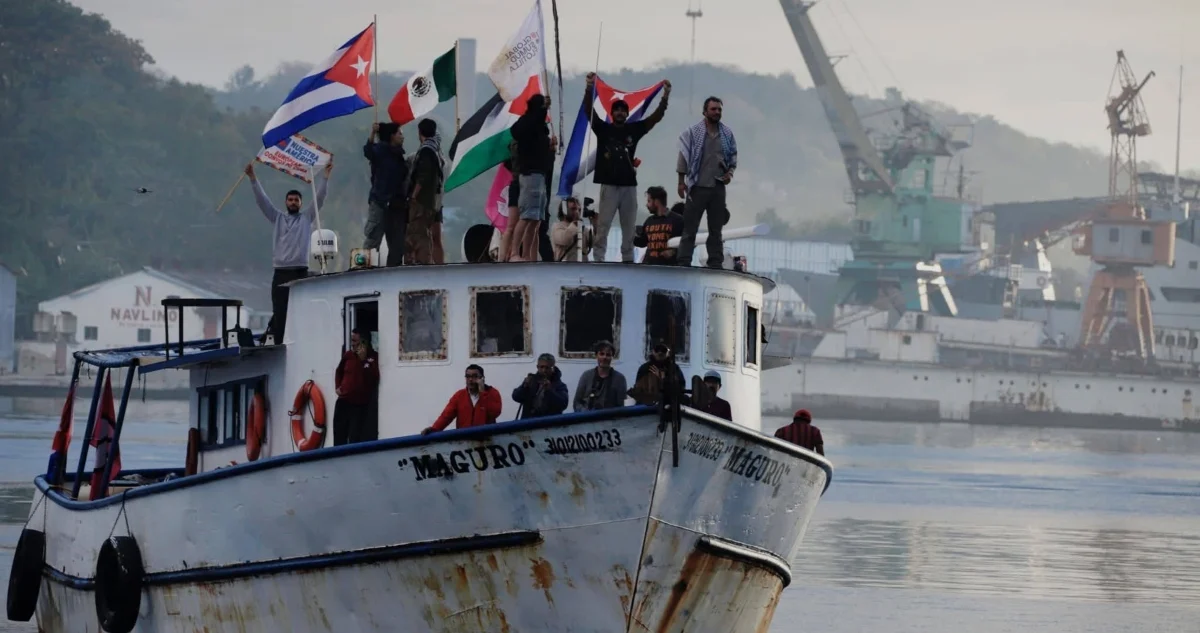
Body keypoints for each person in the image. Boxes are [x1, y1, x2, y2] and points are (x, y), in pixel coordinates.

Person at [584, 73, 671, 262]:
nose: (620, 113)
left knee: (629, 228)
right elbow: (588, 111)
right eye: (617, 110)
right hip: (608, 185)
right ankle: (598, 259)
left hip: (629, 186)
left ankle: (628, 260)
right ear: (612, 114)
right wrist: (589, 87)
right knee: (604, 226)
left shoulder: (634, 130)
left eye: (624, 110)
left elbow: (655, 118)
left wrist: (665, 98)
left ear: (627, 114)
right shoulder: (603, 130)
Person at [245, 160, 331, 343]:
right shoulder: (277, 218)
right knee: (280, 311)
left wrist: (325, 177)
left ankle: (302, 341)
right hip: (280, 272)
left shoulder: (307, 218)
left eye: (296, 200)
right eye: (290, 200)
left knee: (301, 310)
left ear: (300, 203)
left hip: (300, 271)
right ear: (286, 202)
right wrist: (253, 178)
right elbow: (262, 201)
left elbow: (321, 198)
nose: (293, 202)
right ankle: (279, 343)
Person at [676, 96, 737, 268]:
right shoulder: (693, 133)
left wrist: (729, 174)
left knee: (716, 230)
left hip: (717, 187)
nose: (717, 112)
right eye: (713, 109)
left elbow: (733, 157)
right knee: (690, 229)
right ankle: (684, 261)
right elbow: (683, 156)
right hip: (697, 186)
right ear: (705, 112)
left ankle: (715, 262)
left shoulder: (726, 134)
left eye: (719, 109)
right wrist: (681, 181)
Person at [508, 93, 556, 262]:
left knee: (536, 220)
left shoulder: (540, 130)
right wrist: (543, 108)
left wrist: (550, 150)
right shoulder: (526, 125)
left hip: (541, 175)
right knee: (526, 216)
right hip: (529, 175)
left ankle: (528, 255)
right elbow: (519, 130)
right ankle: (515, 252)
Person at [364, 122, 409, 267]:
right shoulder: (381, 151)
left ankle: (393, 273)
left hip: (397, 205)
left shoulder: (399, 155)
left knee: (397, 245)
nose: (402, 137)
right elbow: (368, 151)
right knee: (372, 240)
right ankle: (362, 271)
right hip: (380, 203)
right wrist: (373, 133)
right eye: (399, 133)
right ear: (391, 136)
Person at [405, 118, 445, 265]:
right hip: (436, 199)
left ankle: (424, 264)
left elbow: (422, 176)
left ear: (419, 132)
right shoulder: (436, 147)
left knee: (420, 234)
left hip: (423, 200)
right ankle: (439, 267)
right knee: (435, 237)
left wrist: (414, 196)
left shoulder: (426, 151)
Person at [422, 364, 502, 434]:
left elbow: (494, 413)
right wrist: (434, 429)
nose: (470, 379)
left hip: (487, 442)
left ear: (482, 378)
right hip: (464, 442)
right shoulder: (459, 396)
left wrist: (482, 393)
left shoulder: (493, 393)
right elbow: (446, 416)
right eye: (468, 376)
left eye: (474, 376)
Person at [333, 329, 379, 445]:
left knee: (354, 438)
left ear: (363, 342)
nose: (352, 344)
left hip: (359, 406)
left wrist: (363, 361)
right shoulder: (348, 355)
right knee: (339, 437)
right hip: (343, 402)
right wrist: (338, 386)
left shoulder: (373, 357)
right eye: (351, 340)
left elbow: (374, 378)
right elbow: (339, 371)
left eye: (355, 341)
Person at [632, 186, 684, 265]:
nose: (647, 205)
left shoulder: (677, 220)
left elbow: (687, 243)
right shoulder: (649, 221)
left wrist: (673, 251)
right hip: (648, 267)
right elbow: (643, 242)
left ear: (656, 202)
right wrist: (629, 236)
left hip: (668, 269)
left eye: (649, 201)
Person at [573, 340, 628, 412]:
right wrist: (585, 412)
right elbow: (577, 403)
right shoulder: (586, 376)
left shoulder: (620, 379)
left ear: (612, 357)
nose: (604, 357)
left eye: (608, 355)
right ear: (596, 355)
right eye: (601, 354)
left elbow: (622, 406)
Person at [630, 340, 689, 406]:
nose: (660, 352)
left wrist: (664, 379)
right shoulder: (644, 368)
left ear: (668, 353)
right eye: (657, 349)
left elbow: (680, 388)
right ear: (653, 351)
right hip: (648, 405)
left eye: (663, 350)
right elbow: (639, 390)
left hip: (669, 404)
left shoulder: (674, 369)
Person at [512, 353, 569, 419]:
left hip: (550, 425)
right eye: (541, 367)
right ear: (537, 367)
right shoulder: (531, 380)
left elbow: (563, 405)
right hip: (528, 424)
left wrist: (549, 391)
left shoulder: (560, 385)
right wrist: (524, 387)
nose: (544, 370)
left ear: (553, 368)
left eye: (547, 368)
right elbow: (516, 397)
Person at [550, 197, 593, 261]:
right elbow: (565, 239)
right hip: (565, 268)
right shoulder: (557, 227)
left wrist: (595, 224)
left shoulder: (583, 229)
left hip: (582, 268)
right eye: (573, 209)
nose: (577, 212)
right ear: (564, 211)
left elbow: (595, 243)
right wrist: (575, 223)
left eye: (579, 210)